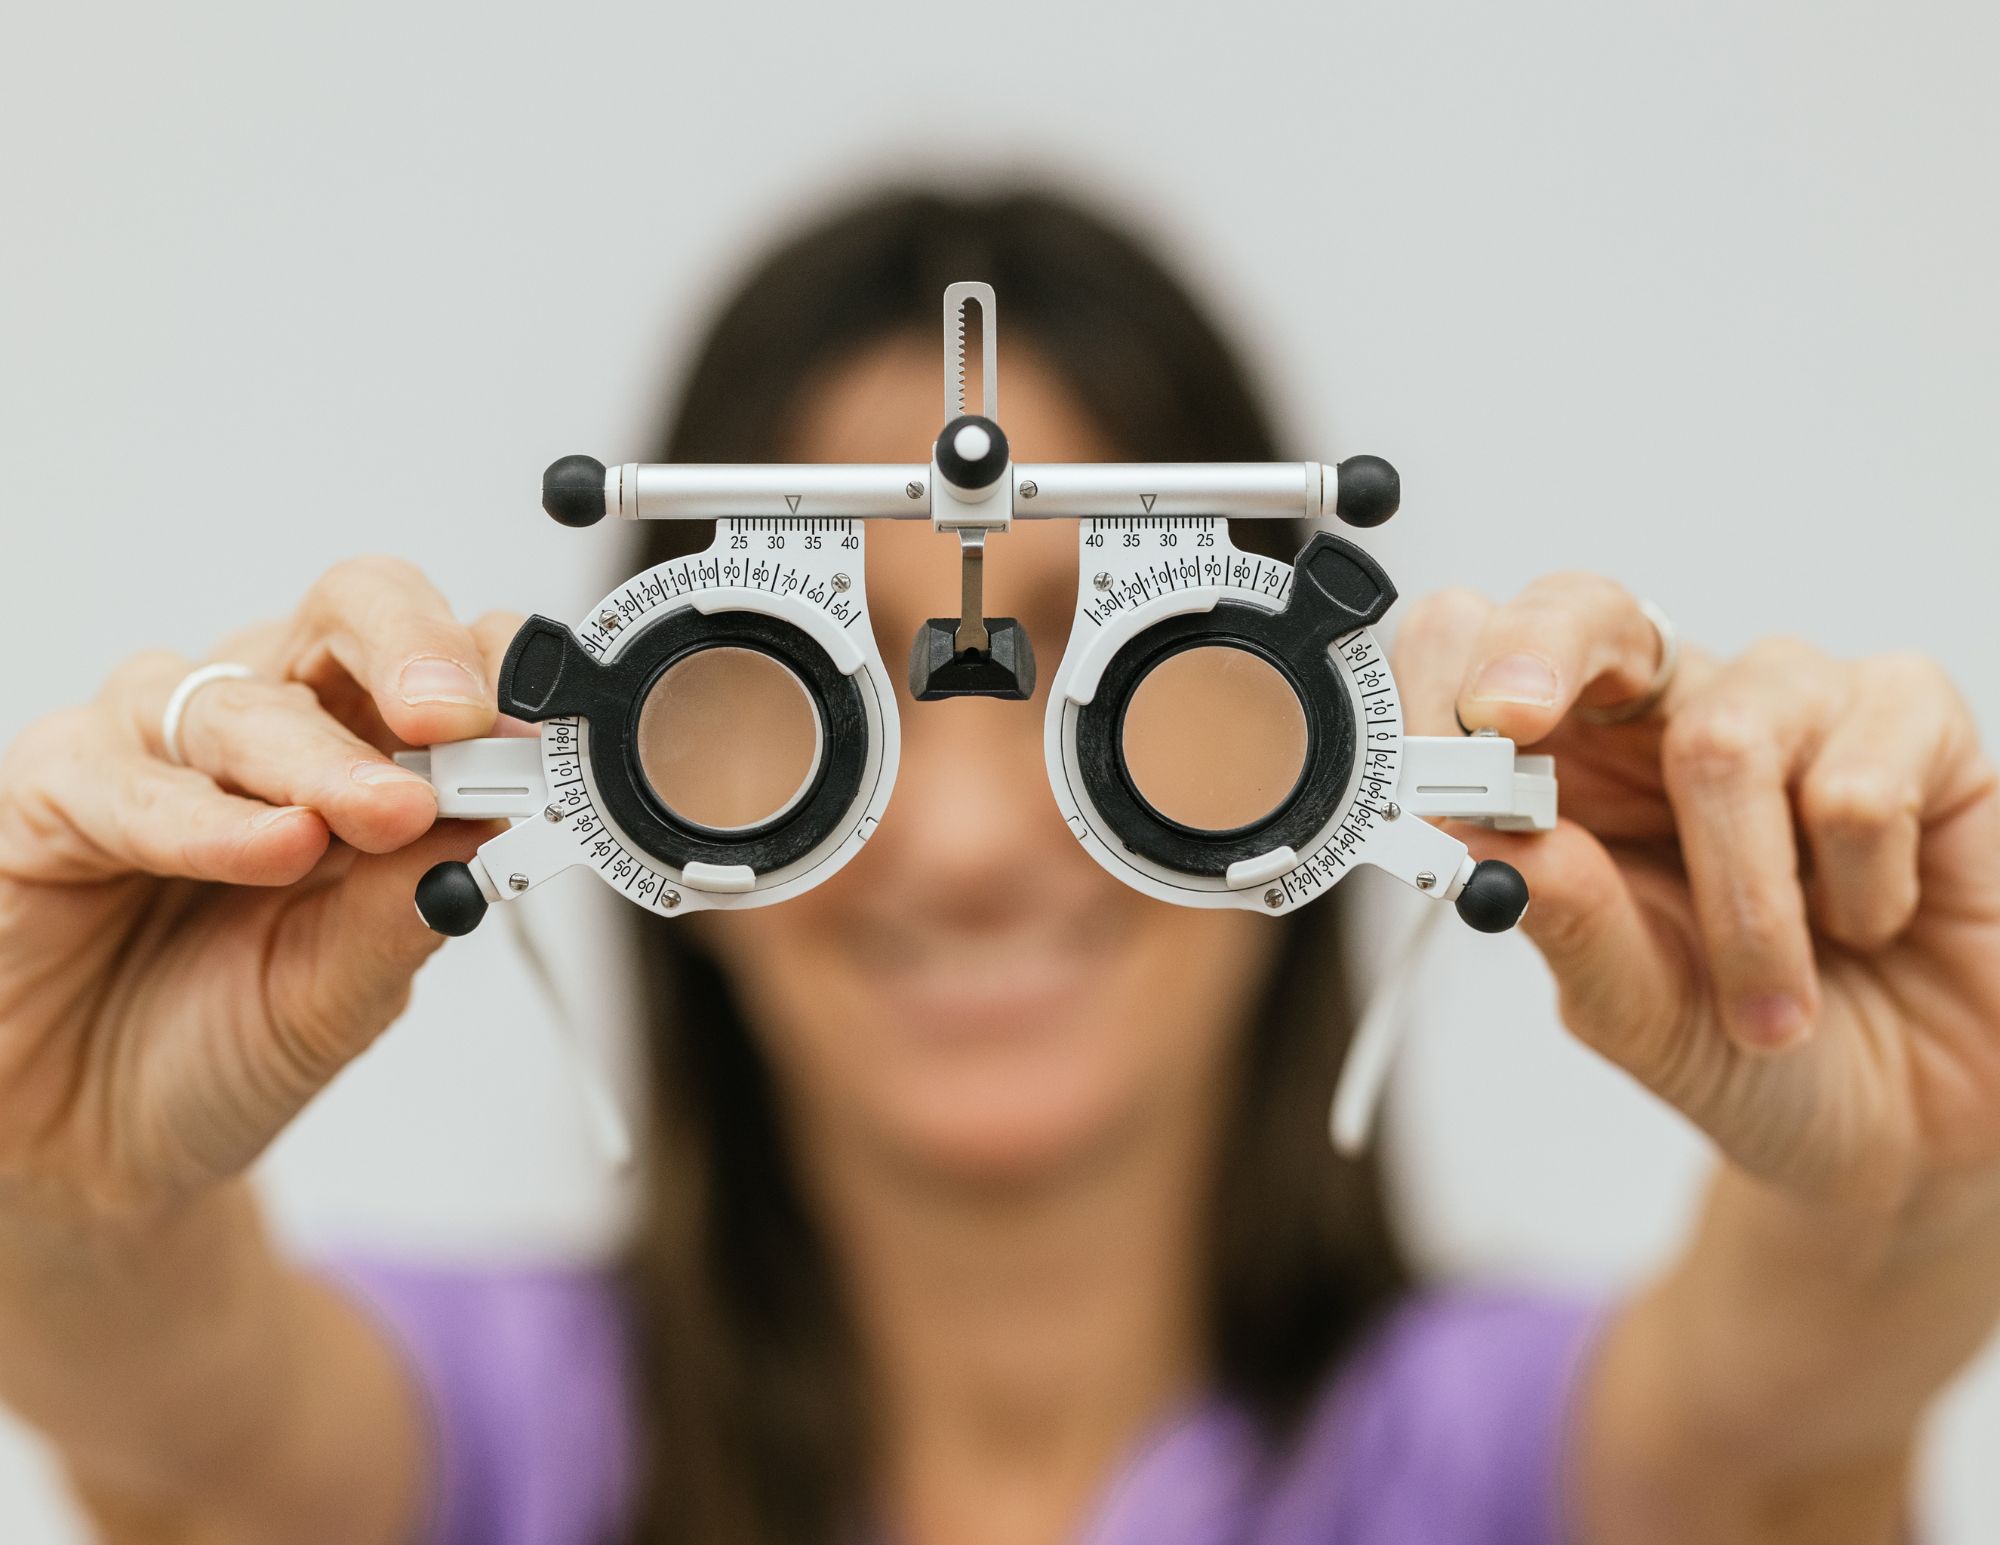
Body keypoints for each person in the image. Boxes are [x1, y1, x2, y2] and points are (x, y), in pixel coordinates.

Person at [1, 187, 1996, 1545]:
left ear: (1332, 728)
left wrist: (1914, 1182)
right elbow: (181, 1410)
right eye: (806, 681)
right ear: (623, 748)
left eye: (1101, 671)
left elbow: (1782, 1426)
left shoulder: (1487, 1458)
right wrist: (54, 1186)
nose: (955, 835)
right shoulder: (491, 1434)